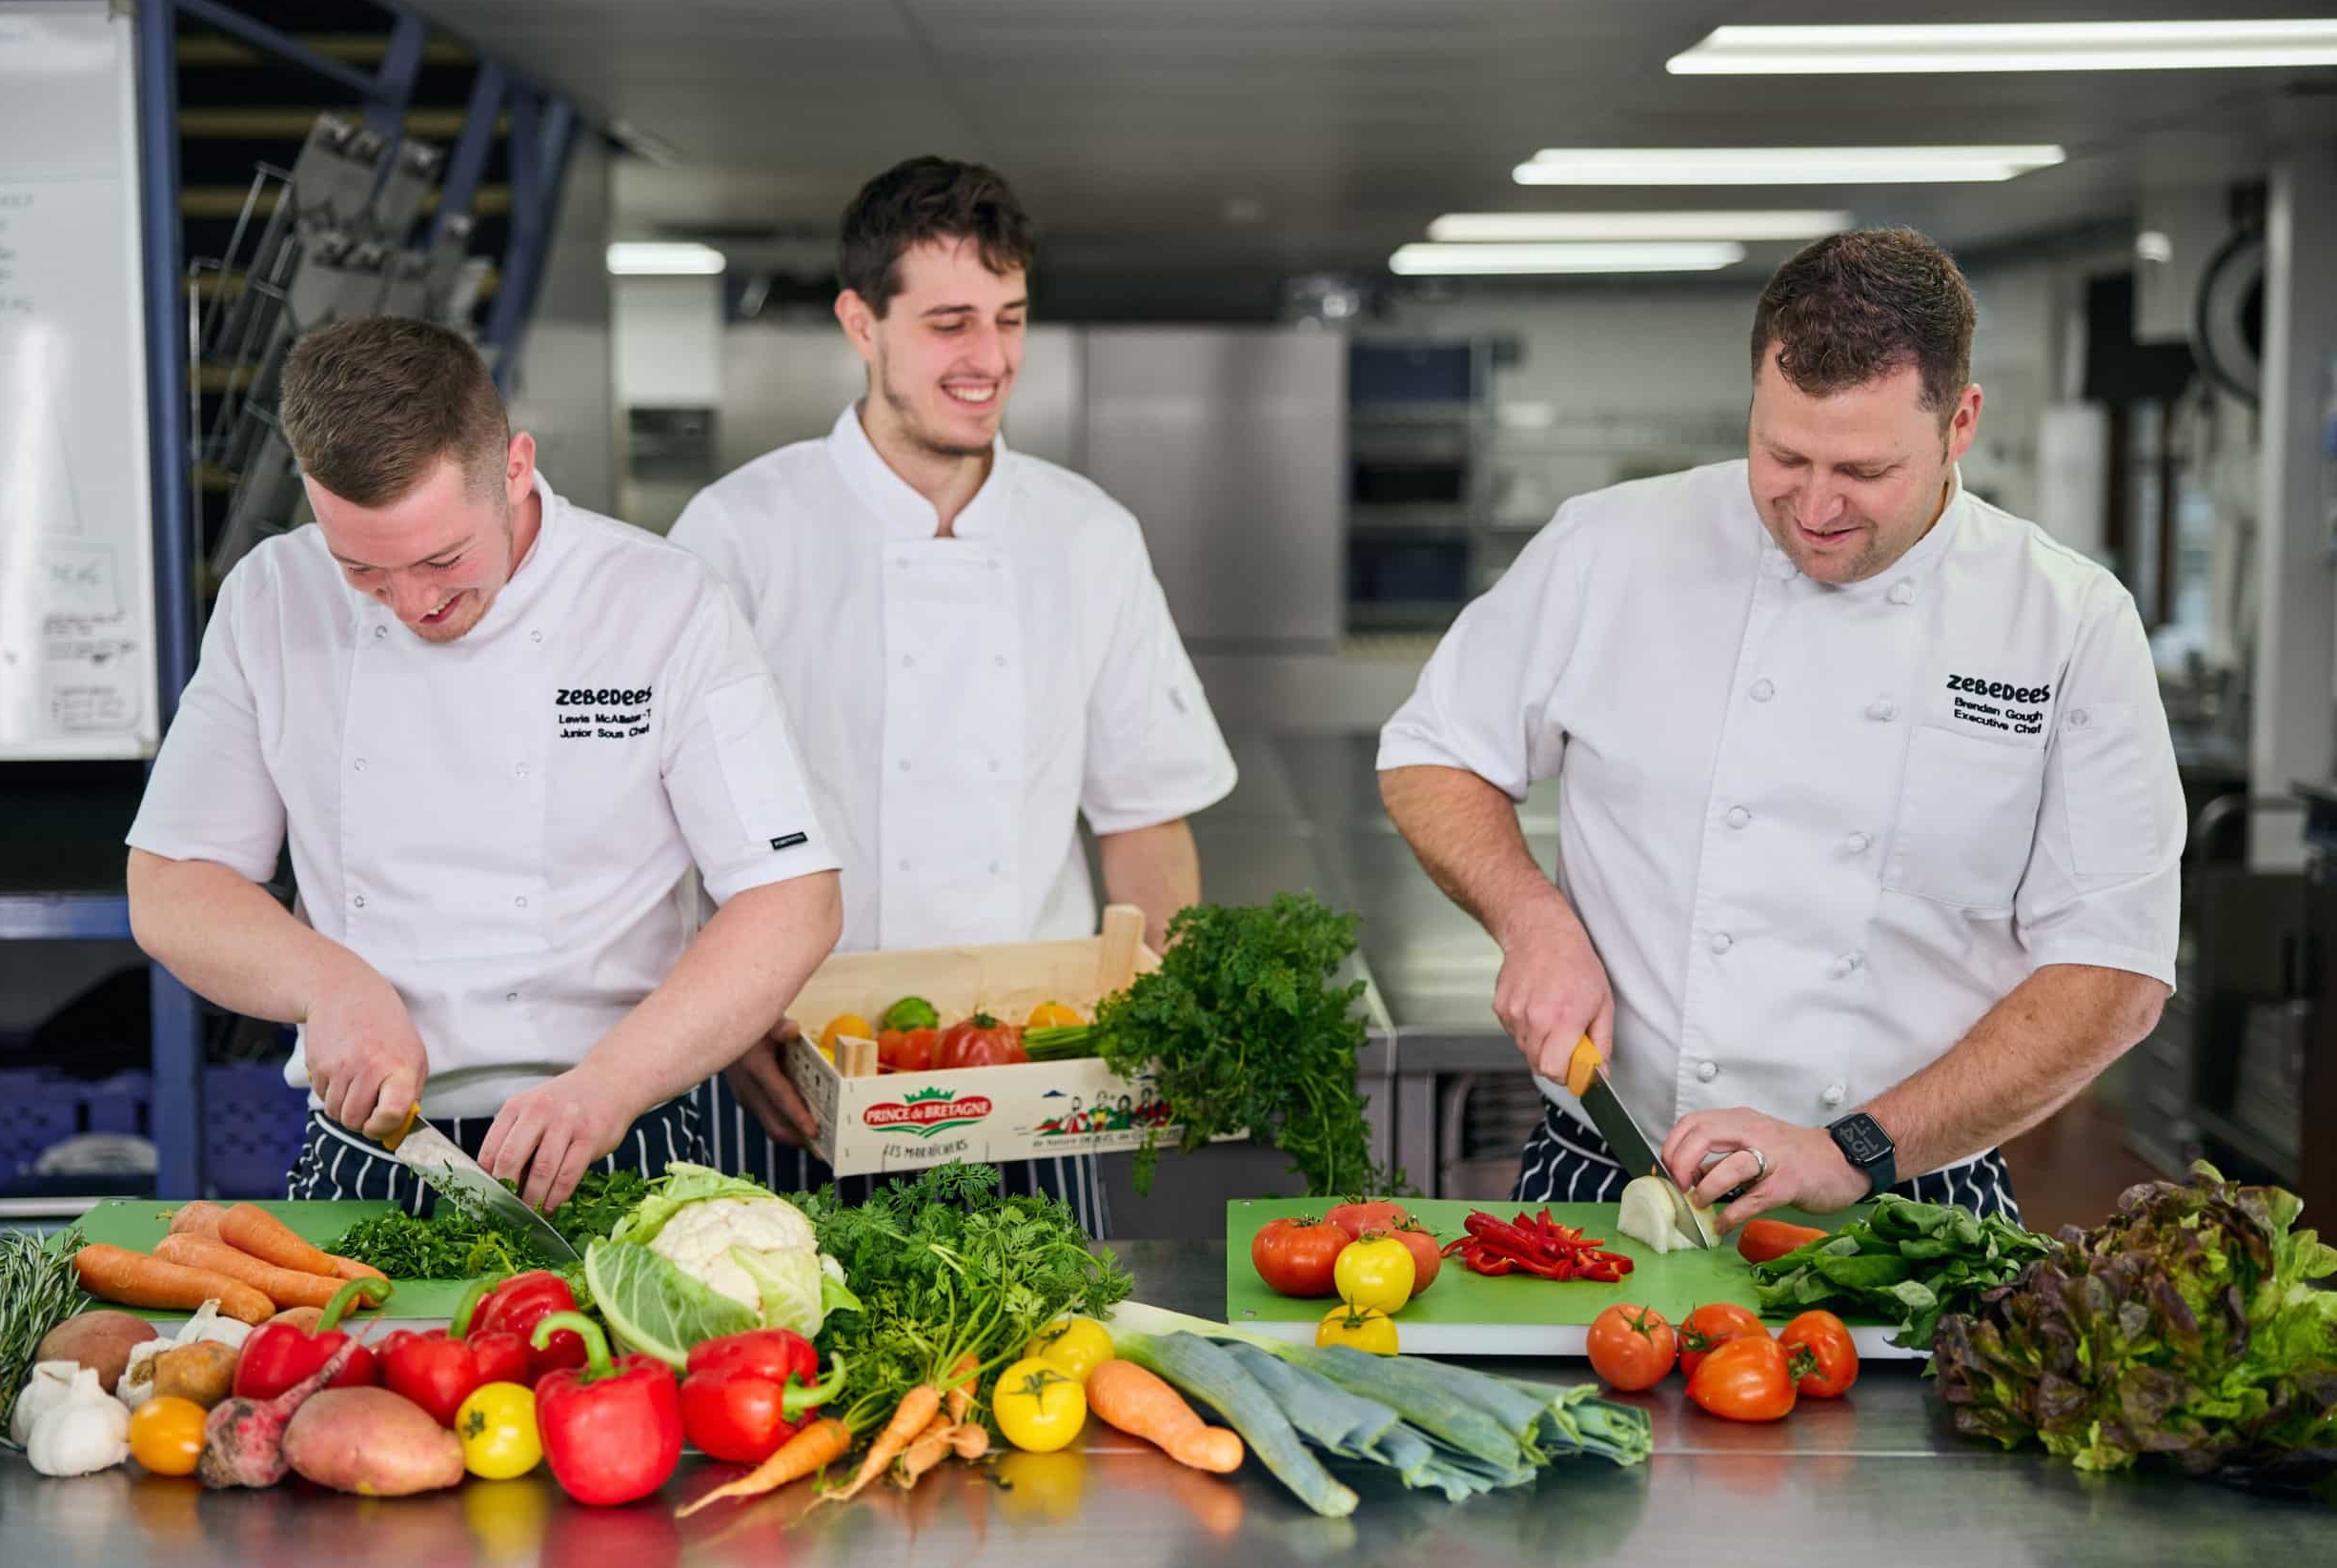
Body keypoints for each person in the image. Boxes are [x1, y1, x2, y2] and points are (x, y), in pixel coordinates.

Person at [1377, 229, 2183, 1228]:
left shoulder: (2063, 620)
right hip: (1609, 1170)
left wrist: (1853, 1152)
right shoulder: (1610, 547)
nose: (1813, 505)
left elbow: (2114, 970)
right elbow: (1434, 753)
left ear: (1959, 422)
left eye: (1862, 468)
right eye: (1782, 453)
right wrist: (1529, 918)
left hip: (1913, 1192)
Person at [126, 316, 843, 1212]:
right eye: (364, 572)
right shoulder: (271, 598)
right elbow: (171, 879)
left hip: (618, 1141)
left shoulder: (662, 604)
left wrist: (611, 1084)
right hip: (371, 1148)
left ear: (512, 466)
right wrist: (328, 981)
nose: (416, 602)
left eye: (443, 557)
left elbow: (792, 898)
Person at [667, 156, 1237, 1234]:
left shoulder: (1088, 537)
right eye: (949, 323)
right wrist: (723, 1023)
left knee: (1039, 1368)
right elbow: (662, 821)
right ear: (860, 321)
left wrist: (1172, 1012)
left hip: (1025, 1066)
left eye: (1009, 319)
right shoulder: (742, 532)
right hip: (795, 1058)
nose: (989, 359)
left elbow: (1144, 815)